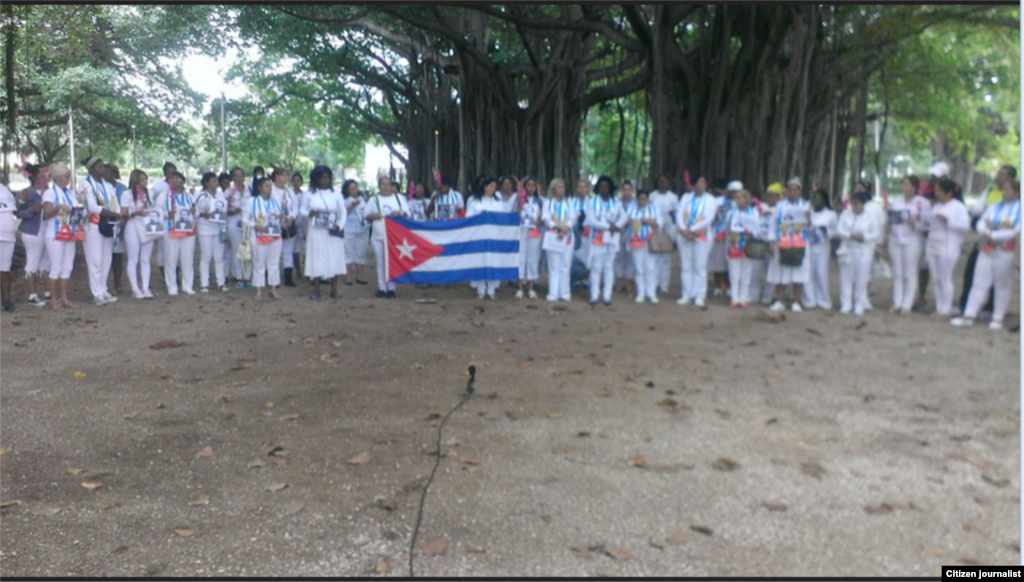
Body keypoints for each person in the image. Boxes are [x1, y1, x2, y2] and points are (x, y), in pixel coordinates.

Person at [951, 180, 1020, 330]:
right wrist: (985, 232)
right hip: (987, 247)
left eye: (1008, 190)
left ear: (1016, 192)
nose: (1004, 192)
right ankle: (968, 314)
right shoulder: (995, 207)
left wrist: (995, 235)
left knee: (1002, 285)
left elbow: (1017, 230)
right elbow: (981, 221)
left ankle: (997, 317)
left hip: (1005, 249)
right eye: (1004, 189)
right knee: (979, 282)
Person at [959, 164, 1015, 314]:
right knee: (972, 271)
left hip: (1003, 243)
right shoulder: (990, 192)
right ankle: (966, 305)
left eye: (1001, 174)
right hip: (985, 238)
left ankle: (993, 308)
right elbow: (979, 211)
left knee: (1000, 278)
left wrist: (995, 231)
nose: (997, 177)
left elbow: (1012, 226)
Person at [78, 157, 122, 305]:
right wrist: (115, 214)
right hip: (93, 225)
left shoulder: (107, 185)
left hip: (108, 224)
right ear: (91, 170)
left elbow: (114, 202)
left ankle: (103, 289)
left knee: (106, 260)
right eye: (99, 167)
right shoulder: (86, 184)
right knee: (95, 260)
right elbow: (91, 206)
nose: (103, 169)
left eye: (103, 167)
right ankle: (96, 292)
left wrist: (117, 213)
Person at [923, 179, 970, 318]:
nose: (937, 194)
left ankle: (946, 308)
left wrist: (948, 221)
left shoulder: (958, 207)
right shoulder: (936, 206)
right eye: (936, 191)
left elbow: (965, 226)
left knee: (945, 276)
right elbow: (929, 224)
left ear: (949, 192)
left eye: (940, 191)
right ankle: (939, 306)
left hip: (948, 244)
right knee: (936, 277)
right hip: (932, 243)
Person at [302, 165, 348, 300]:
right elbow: (301, 211)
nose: (325, 180)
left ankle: (334, 290)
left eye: (327, 177)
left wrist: (339, 225)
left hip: (332, 231)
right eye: (322, 177)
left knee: (334, 258)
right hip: (316, 232)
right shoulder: (309, 194)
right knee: (316, 259)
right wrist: (309, 213)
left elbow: (343, 211)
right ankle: (316, 290)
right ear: (316, 179)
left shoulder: (336, 194)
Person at [767, 177, 811, 313]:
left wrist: (809, 218)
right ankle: (780, 301)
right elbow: (773, 223)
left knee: (799, 272)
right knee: (780, 271)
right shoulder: (780, 206)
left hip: (800, 241)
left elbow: (811, 226)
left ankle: (796, 302)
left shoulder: (806, 206)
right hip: (782, 241)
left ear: (800, 191)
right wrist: (771, 241)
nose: (792, 193)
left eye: (795, 190)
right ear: (786, 191)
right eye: (790, 190)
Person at [887, 176, 929, 314]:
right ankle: (897, 301)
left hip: (912, 239)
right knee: (897, 272)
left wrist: (916, 225)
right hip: (895, 238)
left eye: (905, 184)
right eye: (902, 184)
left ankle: (907, 303)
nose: (902, 187)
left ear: (913, 187)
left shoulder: (921, 203)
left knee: (909, 271)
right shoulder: (897, 201)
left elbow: (927, 223)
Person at [583, 176, 627, 306]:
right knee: (596, 267)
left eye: (606, 187)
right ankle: (594, 295)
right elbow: (590, 220)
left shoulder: (615, 203)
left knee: (608, 266)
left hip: (611, 238)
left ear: (610, 188)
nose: (603, 189)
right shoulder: (592, 202)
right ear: (597, 188)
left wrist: (617, 226)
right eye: (601, 186)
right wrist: (608, 227)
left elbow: (624, 216)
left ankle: (607, 295)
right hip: (597, 237)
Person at [41, 164, 80, 310]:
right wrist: (58, 207)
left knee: (67, 267)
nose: (69, 180)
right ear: (57, 178)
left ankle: (64, 298)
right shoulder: (50, 194)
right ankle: (53, 299)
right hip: (55, 234)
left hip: (69, 232)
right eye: (66, 177)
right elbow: (47, 214)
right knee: (56, 267)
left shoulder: (69, 193)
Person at [836, 191, 881, 315]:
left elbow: (875, 233)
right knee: (846, 277)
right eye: (852, 203)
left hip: (863, 250)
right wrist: (850, 235)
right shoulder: (846, 215)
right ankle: (845, 303)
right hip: (847, 249)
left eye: (857, 203)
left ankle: (859, 303)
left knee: (862, 278)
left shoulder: (870, 217)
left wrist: (864, 237)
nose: (854, 206)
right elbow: (839, 229)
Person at [675, 174, 716, 308]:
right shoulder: (686, 197)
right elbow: (679, 214)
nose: (700, 184)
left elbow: (708, 218)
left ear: (706, 184)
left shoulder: (710, 200)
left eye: (702, 182)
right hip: (684, 234)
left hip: (701, 236)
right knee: (686, 266)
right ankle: (686, 294)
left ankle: (699, 295)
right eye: (697, 182)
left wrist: (692, 229)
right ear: (692, 185)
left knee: (699, 266)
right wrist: (684, 229)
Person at [364, 175, 408, 298]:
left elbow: (407, 213)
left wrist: (398, 213)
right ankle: (382, 287)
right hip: (378, 235)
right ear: (379, 186)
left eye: (388, 184)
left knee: (392, 261)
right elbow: (366, 216)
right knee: (380, 261)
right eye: (383, 184)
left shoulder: (399, 199)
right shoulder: (373, 200)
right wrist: (375, 216)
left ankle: (392, 288)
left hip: (394, 236)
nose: (386, 187)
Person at [157, 171, 198, 296]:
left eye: (178, 179)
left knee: (187, 258)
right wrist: (166, 214)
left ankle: (187, 285)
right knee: (171, 258)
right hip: (171, 229)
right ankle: (172, 286)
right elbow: (157, 210)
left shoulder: (189, 196)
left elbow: (198, 212)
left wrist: (194, 211)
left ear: (183, 182)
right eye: (172, 179)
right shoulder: (165, 195)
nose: (175, 182)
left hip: (187, 231)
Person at [15, 163, 51, 307]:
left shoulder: (49, 191)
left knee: (46, 262)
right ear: (37, 175)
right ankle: (32, 295)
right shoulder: (26, 193)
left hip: (47, 229)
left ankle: (48, 292)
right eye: (45, 172)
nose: (48, 174)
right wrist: (31, 211)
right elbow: (16, 213)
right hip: (32, 230)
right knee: (33, 261)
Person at [121, 170, 158, 299]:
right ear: (136, 181)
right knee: (133, 258)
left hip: (148, 226)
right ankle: (135, 288)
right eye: (142, 179)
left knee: (145, 259)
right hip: (133, 225)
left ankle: (146, 287)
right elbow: (124, 212)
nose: (145, 182)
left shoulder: (150, 193)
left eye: (146, 179)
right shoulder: (127, 194)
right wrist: (136, 213)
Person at [465, 177, 505, 299]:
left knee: (493, 260)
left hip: (493, 235)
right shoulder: (474, 201)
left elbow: (502, 218)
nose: (493, 189)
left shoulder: (498, 202)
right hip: (479, 235)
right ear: (485, 187)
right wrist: (479, 215)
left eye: (495, 187)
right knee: (480, 260)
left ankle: (492, 289)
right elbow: (468, 217)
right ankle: (481, 290)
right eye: (491, 186)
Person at [245, 176, 283, 300]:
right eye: (267, 186)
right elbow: (244, 219)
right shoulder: (252, 201)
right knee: (259, 262)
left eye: (270, 185)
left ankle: (273, 289)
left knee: (274, 262)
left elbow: (278, 215)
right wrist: (254, 225)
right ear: (260, 188)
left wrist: (281, 217)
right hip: (259, 235)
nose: (270, 188)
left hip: (274, 235)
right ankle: (258, 289)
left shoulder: (276, 200)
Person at [803, 188, 838, 310]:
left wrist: (825, 231)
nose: (816, 201)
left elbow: (835, 231)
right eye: (814, 199)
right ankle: (809, 300)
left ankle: (823, 300)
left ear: (824, 200)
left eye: (819, 199)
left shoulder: (831, 214)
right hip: (808, 246)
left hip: (822, 247)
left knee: (821, 273)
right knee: (808, 272)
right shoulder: (808, 212)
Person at [542, 178, 576, 302]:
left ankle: (565, 293)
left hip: (567, 237)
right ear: (553, 189)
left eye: (563, 187)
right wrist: (557, 228)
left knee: (565, 265)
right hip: (553, 236)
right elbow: (546, 218)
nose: (562, 190)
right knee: (553, 266)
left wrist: (565, 229)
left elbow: (572, 218)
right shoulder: (548, 203)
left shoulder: (569, 203)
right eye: (559, 187)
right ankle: (553, 293)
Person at [725, 189, 760, 308]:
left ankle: (743, 297)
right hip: (735, 244)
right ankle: (734, 297)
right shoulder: (731, 213)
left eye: (739, 197)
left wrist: (751, 232)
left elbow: (757, 228)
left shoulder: (754, 213)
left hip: (748, 244)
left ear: (746, 199)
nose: (737, 200)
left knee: (746, 272)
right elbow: (727, 228)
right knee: (734, 273)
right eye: (736, 198)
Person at [195, 172, 229, 293]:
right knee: (206, 256)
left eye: (216, 180)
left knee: (219, 256)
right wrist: (203, 214)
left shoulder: (221, 194)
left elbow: (224, 208)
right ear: (206, 183)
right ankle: (205, 283)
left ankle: (221, 282)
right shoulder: (200, 195)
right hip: (205, 228)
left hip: (218, 228)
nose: (216, 183)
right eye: (213, 180)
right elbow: (194, 211)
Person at [750, 183, 782, 305]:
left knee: (771, 272)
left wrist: (772, 242)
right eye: (769, 196)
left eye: (774, 197)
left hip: (772, 244)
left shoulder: (781, 209)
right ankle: (753, 295)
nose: (771, 199)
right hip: (758, 243)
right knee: (754, 271)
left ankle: (768, 296)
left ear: (779, 197)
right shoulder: (759, 208)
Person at [626, 189, 661, 303]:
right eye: (640, 199)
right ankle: (641, 292)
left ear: (648, 200)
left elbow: (658, 224)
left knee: (650, 268)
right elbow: (628, 221)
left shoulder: (654, 210)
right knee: (638, 268)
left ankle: (651, 293)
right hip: (636, 242)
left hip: (650, 242)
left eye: (644, 199)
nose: (642, 201)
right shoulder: (632, 209)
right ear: (637, 200)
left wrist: (644, 220)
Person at [649, 175, 680, 295]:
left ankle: (664, 284)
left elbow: (677, 214)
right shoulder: (652, 196)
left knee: (666, 257)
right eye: (660, 181)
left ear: (668, 183)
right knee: (655, 255)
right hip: (655, 228)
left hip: (668, 229)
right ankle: (655, 283)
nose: (662, 183)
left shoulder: (673, 197)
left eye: (664, 181)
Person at [515, 176, 543, 299]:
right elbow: (513, 214)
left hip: (534, 232)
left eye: (533, 185)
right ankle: (520, 287)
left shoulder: (541, 201)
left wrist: (540, 221)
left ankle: (531, 287)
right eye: (528, 185)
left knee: (533, 258)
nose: (531, 188)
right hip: (521, 231)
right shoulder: (518, 200)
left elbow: (546, 216)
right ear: (524, 187)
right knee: (521, 258)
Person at [104, 164, 128, 296]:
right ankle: (104, 284)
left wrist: (122, 216)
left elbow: (124, 205)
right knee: (106, 255)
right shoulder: (101, 188)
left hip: (120, 223)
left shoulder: (122, 188)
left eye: (109, 173)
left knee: (118, 256)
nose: (107, 175)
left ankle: (117, 283)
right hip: (106, 222)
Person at [707, 178, 733, 298]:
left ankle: (728, 286)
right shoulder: (717, 201)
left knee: (730, 262)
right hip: (718, 234)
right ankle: (717, 286)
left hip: (733, 237)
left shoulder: (739, 203)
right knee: (718, 261)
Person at [339, 179, 368, 285]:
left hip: (363, 230)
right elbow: (343, 213)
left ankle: (359, 276)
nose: (354, 190)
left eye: (355, 187)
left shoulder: (363, 200)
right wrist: (352, 205)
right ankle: (348, 276)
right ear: (347, 190)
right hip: (349, 229)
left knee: (361, 252)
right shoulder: (345, 201)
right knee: (348, 252)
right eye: (351, 188)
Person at [225, 167, 250, 288]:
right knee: (236, 250)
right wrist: (235, 211)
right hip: (234, 225)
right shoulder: (229, 192)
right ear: (232, 178)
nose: (239, 178)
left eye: (241, 175)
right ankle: (238, 276)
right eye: (236, 176)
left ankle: (247, 276)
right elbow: (224, 210)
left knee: (247, 250)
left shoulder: (250, 190)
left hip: (247, 225)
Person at [151, 162, 177, 277]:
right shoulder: (159, 186)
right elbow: (150, 197)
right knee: (163, 247)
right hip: (163, 220)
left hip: (176, 221)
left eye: (173, 172)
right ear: (165, 173)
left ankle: (175, 271)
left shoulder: (177, 185)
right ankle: (163, 270)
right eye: (169, 172)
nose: (171, 175)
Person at [614, 180, 636, 295]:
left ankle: (629, 282)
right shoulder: (616, 203)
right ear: (621, 191)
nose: (626, 192)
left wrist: (630, 222)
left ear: (632, 191)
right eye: (624, 189)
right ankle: (618, 281)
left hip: (631, 233)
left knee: (630, 259)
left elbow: (638, 217)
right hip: (618, 233)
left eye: (629, 189)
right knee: (618, 258)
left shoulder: (636, 203)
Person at [0, 180, 16, 311]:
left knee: (5, 269)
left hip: (8, 236)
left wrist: (21, 201)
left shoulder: (5, 190)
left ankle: (6, 302)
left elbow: (15, 211)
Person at [290, 171, 306, 276]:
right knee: (294, 248)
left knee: (305, 247)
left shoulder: (304, 195)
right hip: (292, 223)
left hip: (303, 224)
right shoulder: (289, 194)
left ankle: (307, 268)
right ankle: (298, 270)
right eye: (294, 180)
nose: (296, 183)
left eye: (298, 181)